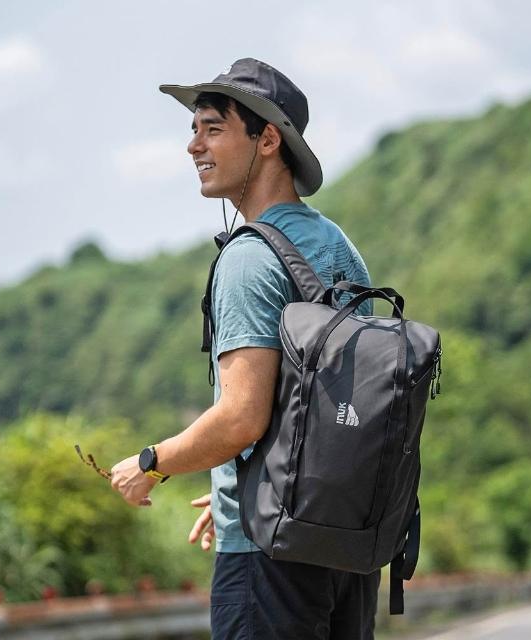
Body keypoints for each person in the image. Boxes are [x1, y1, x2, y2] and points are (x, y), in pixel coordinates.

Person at [110, 57, 380, 639]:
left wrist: (151, 463)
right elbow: (341, 402)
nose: (193, 146)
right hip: (341, 545)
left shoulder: (249, 258)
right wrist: (244, 485)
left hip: (267, 557)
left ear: (268, 140)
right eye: (194, 129)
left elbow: (242, 417)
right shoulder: (338, 245)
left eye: (213, 128)